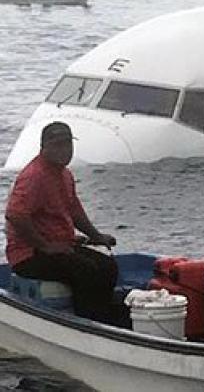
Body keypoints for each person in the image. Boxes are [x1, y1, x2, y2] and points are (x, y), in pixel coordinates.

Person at [4, 122, 119, 323]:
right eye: (57, 145)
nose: (64, 151)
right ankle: (87, 323)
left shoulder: (64, 174)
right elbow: (16, 215)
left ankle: (104, 317)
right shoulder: (34, 176)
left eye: (67, 144)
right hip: (29, 255)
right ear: (44, 147)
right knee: (85, 271)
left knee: (107, 266)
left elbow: (74, 211)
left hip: (60, 246)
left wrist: (97, 237)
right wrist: (45, 246)